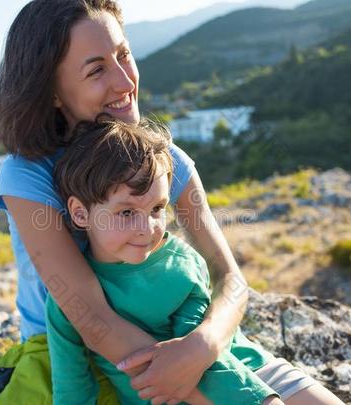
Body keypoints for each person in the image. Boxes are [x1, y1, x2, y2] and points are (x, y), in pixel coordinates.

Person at [0, 1, 345, 404]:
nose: (124, 80)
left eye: (124, 55)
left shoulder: (166, 159)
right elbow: (92, 321)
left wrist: (202, 345)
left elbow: (230, 280)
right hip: (83, 363)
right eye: (97, 69)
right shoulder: (27, 174)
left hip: (192, 341)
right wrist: (202, 385)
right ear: (51, 92)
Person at [47, 117, 283, 405]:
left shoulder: (181, 267)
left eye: (157, 208)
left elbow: (208, 367)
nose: (147, 229)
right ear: (81, 213)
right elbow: (72, 388)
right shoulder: (68, 294)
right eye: (126, 213)